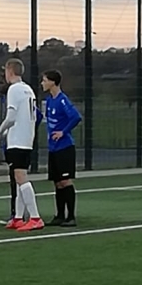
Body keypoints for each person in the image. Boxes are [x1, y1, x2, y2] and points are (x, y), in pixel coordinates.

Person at [0, 58, 43, 232]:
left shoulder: (14, 89)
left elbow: (11, 117)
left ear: (10, 71)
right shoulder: (28, 89)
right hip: (26, 138)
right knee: (19, 178)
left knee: (20, 177)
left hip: (18, 140)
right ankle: (18, 217)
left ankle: (35, 217)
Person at [40, 70, 82, 227]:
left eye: (45, 80)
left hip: (65, 147)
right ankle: (59, 215)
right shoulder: (49, 101)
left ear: (52, 82)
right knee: (57, 182)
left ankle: (71, 217)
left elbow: (76, 117)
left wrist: (63, 132)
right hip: (53, 148)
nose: (42, 83)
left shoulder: (62, 100)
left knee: (65, 181)